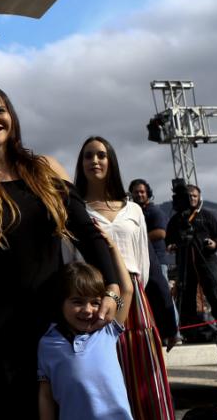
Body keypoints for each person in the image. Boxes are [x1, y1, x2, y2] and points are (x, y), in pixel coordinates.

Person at [0, 82, 122, 419]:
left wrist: (112, 288)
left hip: (54, 325)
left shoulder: (43, 171)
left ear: (12, 117)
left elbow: (89, 235)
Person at [74, 137, 173, 419]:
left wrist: (164, 317)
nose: (95, 160)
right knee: (106, 377)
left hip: (136, 303)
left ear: (111, 161)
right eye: (88, 156)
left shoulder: (133, 210)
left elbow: (145, 263)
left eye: (101, 155)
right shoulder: (77, 210)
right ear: (80, 165)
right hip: (94, 298)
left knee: (144, 378)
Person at [37, 257, 135, 420]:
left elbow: (127, 289)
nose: (88, 310)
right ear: (61, 302)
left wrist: (110, 248)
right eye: (77, 301)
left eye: (95, 303)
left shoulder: (107, 330)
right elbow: (45, 396)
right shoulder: (47, 343)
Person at [165, 184, 217, 336]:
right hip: (185, 264)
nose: (192, 198)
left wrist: (215, 244)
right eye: (189, 195)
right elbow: (168, 240)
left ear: (199, 198)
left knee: (215, 294)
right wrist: (171, 246)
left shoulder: (207, 215)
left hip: (207, 262)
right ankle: (191, 332)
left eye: (195, 195)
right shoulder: (176, 219)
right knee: (186, 297)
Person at [129, 178, 180, 346]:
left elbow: (161, 233)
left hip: (158, 261)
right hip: (141, 262)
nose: (139, 194)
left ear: (148, 193)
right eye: (136, 192)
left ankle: (175, 332)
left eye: (142, 191)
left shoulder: (154, 211)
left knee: (164, 295)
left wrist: (136, 236)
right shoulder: (134, 211)